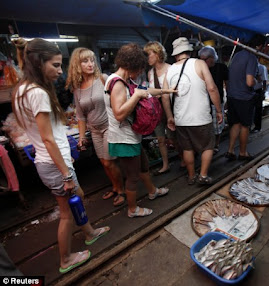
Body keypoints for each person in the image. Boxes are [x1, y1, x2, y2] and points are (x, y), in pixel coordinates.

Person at [12, 38, 109, 274]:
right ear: (38, 63)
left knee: (77, 198)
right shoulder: (38, 94)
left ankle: (89, 233)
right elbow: (47, 138)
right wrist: (66, 173)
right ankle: (65, 259)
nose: (60, 70)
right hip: (55, 165)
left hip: (48, 163)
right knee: (66, 213)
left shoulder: (21, 89)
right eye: (55, 65)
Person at [104, 43, 173, 217]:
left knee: (143, 166)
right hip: (123, 139)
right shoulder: (117, 83)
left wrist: (165, 90)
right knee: (133, 177)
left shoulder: (125, 80)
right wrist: (136, 96)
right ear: (132, 65)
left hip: (131, 136)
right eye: (140, 68)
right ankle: (132, 209)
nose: (141, 72)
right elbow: (119, 114)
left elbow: (145, 90)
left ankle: (152, 191)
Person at [66, 48, 125, 206]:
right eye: (85, 61)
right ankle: (114, 186)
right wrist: (82, 137)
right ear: (77, 65)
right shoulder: (77, 88)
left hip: (109, 126)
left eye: (92, 60)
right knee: (103, 162)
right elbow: (80, 115)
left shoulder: (103, 78)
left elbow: (118, 99)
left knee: (109, 162)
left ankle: (121, 191)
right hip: (94, 130)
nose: (90, 64)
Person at [162, 37, 223, 185]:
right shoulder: (200, 63)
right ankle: (202, 175)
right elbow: (212, 88)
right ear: (189, 50)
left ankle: (191, 176)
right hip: (201, 117)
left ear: (176, 53)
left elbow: (165, 96)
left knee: (187, 148)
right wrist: (219, 110)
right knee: (208, 145)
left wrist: (170, 117)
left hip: (181, 118)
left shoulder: (169, 70)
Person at [144, 41, 185, 175]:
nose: (147, 58)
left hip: (170, 108)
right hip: (156, 111)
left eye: (149, 54)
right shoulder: (150, 73)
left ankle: (183, 157)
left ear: (157, 54)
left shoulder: (171, 68)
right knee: (161, 139)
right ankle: (165, 164)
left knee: (173, 138)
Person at [225, 37, 260, 161]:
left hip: (232, 95)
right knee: (245, 125)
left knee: (235, 123)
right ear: (258, 46)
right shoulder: (252, 58)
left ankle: (230, 150)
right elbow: (250, 82)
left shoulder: (237, 55)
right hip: (244, 97)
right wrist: (257, 80)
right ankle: (243, 152)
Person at [198, 46, 229, 153]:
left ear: (211, 57)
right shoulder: (200, 69)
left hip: (217, 101)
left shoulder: (221, 67)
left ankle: (216, 144)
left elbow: (226, 84)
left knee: (218, 127)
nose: (203, 62)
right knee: (206, 126)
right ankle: (208, 145)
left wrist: (227, 99)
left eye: (205, 60)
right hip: (203, 102)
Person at [251, 60, 267, 133]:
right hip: (249, 90)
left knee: (258, 109)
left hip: (258, 90)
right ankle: (250, 125)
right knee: (250, 109)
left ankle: (257, 127)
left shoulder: (261, 68)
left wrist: (263, 92)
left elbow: (264, 81)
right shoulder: (248, 67)